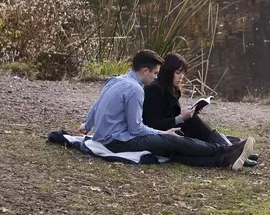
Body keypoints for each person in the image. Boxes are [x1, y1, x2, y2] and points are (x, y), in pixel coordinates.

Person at [82, 49, 255, 170]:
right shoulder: (136, 89)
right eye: (155, 73)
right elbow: (136, 129)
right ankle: (226, 150)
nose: (156, 76)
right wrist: (164, 134)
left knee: (174, 142)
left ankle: (227, 154)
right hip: (117, 142)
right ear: (144, 71)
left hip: (106, 136)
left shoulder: (115, 80)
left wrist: (88, 125)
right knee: (172, 141)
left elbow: (96, 105)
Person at [143, 53, 257, 167]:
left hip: (172, 128)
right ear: (167, 72)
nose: (181, 77)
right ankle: (231, 150)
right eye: (178, 73)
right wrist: (180, 118)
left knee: (193, 120)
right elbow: (153, 124)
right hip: (159, 134)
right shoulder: (155, 89)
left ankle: (232, 149)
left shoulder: (173, 89)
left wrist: (189, 112)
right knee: (191, 144)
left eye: (183, 73)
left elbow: (171, 114)